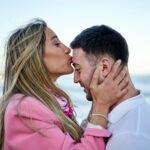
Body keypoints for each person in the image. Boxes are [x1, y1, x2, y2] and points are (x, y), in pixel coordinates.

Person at [0, 19, 128, 150]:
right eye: (56, 44)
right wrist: (101, 105)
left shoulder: (44, 100)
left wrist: (97, 100)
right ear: (34, 56)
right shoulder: (24, 109)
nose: (67, 49)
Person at [70, 25, 150, 150]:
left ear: (104, 67)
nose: (75, 79)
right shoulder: (110, 114)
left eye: (78, 69)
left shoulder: (130, 138)